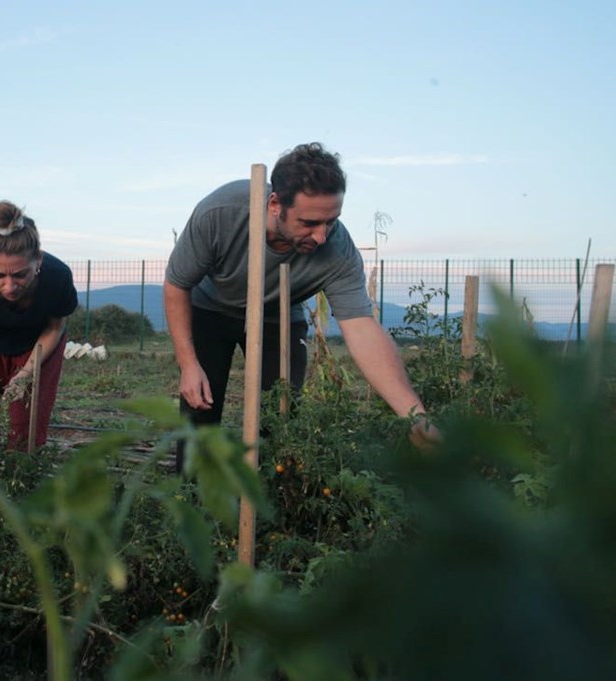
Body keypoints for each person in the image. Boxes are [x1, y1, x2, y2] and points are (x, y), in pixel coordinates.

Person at [164, 142, 439, 464]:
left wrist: (415, 416)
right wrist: (188, 363)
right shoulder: (221, 213)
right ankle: (190, 500)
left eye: (331, 220)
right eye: (309, 223)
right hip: (209, 310)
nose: (322, 236)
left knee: (279, 412)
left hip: (278, 317)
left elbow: (362, 327)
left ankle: (271, 498)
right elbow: (177, 285)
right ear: (275, 204)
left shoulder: (338, 250)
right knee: (200, 409)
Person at [0, 200, 79, 450]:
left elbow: (55, 327)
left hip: (38, 343)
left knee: (25, 424)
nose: (9, 286)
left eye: (20, 274)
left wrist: (25, 375)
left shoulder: (57, 276)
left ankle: (21, 472)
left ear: (38, 260)